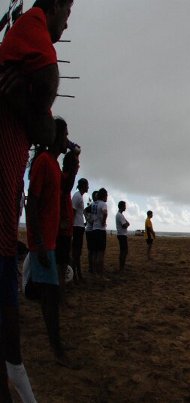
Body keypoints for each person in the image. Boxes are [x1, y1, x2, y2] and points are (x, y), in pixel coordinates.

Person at [0, 0, 74, 398]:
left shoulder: (52, 161)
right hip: (33, 236)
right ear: (58, 5)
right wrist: (41, 245)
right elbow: (47, 78)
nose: (66, 25)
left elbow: (44, 125)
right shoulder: (31, 27)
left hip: (26, 229)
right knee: (27, 301)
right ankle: (26, 374)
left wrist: (31, 112)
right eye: (68, 13)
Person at [26, 114, 78, 369]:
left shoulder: (54, 166)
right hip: (42, 244)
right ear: (56, 137)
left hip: (49, 242)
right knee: (51, 298)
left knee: (50, 297)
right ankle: (58, 351)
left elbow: (63, 191)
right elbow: (32, 203)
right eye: (65, 134)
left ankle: (57, 346)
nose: (67, 139)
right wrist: (38, 241)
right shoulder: (44, 163)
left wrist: (74, 163)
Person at [55, 119, 79, 306]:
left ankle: (61, 297)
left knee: (63, 264)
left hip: (64, 229)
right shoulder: (62, 179)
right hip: (61, 230)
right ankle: (60, 299)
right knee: (60, 265)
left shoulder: (64, 181)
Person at [71, 178, 88, 283]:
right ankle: (75, 276)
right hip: (76, 227)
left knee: (78, 252)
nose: (88, 187)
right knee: (76, 253)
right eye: (87, 185)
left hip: (79, 226)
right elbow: (72, 212)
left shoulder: (79, 196)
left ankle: (78, 274)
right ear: (83, 186)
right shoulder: (77, 196)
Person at [91, 188, 108, 279]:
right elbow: (105, 213)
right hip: (100, 230)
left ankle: (94, 273)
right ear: (104, 195)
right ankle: (100, 274)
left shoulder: (94, 203)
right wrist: (103, 221)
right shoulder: (103, 204)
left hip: (94, 229)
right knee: (101, 253)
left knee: (94, 253)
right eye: (107, 195)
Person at [84, 191, 97, 275]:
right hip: (90, 230)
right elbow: (85, 211)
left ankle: (93, 267)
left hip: (94, 230)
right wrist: (90, 220)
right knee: (91, 250)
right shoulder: (92, 205)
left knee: (94, 250)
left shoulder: (96, 205)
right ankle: (91, 267)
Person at [115, 201, 130, 272]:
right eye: (124, 206)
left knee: (123, 251)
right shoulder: (120, 215)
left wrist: (126, 224)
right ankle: (121, 268)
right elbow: (125, 225)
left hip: (121, 234)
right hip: (122, 235)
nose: (125, 207)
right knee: (124, 251)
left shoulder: (120, 214)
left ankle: (122, 267)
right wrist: (126, 224)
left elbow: (127, 223)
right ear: (122, 206)